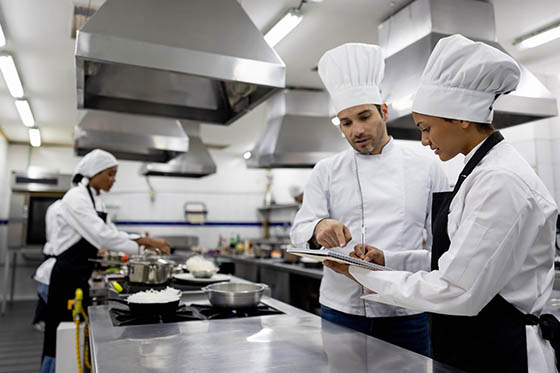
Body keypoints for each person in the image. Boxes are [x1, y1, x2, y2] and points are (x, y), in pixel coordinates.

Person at [324, 34, 560, 373]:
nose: (424, 140)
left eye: (426, 128)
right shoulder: (480, 170)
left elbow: (457, 289)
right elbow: (460, 261)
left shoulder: (500, 180)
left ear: (462, 118)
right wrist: (388, 261)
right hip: (478, 342)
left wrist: (364, 275)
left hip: (503, 352)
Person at [290, 43, 449, 356]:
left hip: (405, 309)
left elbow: (441, 243)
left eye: (364, 117)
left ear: (384, 111)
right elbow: (299, 230)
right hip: (341, 308)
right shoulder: (326, 170)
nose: (356, 130)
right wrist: (319, 226)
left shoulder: (428, 165)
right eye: (346, 123)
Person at [41, 149, 171, 372]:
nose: (114, 179)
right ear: (94, 173)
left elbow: (111, 232)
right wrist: (145, 242)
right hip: (66, 275)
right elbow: (100, 234)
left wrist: (141, 244)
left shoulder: (97, 200)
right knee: (60, 335)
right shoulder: (76, 197)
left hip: (81, 272)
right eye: (110, 174)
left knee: (75, 330)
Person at [32, 200, 62, 332]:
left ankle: (41, 319)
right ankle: (40, 320)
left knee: (46, 288)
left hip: (51, 250)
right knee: (47, 289)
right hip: (55, 252)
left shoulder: (54, 206)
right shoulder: (64, 207)